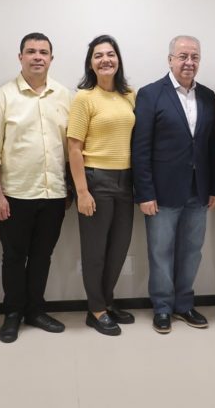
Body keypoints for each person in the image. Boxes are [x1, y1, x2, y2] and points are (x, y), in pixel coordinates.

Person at [0, 32, 72, 343]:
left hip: (54, 194)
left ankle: (35, 311)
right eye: (31, 51)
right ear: (20, 57)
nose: (37, 57)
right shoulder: (3, 97)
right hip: (15, 195)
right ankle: (12, 314)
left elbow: (71, 148)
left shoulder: (64, 96)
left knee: (43, 256)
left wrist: (69, 188)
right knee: (13, 258)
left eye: (43, 52)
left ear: (51, 58)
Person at [131, 35, 215, 334]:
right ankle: (162, 307)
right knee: (160, 252)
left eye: (195, 57)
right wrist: (145, 192)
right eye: (183, 56)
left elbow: (212, 146)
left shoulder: (207, 96)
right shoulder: (150, 94)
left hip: (199, 190)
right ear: (170, 59)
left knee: (192, 251)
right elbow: (140, 148)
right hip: (161, 192)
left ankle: (184, 304)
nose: (189, 62)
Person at [68, 35, 136, 337]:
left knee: (118, 249)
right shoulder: (84, 98)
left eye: (110, 54)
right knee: (95, 251)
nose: (105, 59)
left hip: (126, 180)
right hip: (96, 180)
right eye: (98, 55)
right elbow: (73, 147)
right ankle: (95, 310)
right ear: (91, 64)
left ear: (118, 59)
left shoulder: (129, 95)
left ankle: (107, 302)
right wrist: (82, 191)